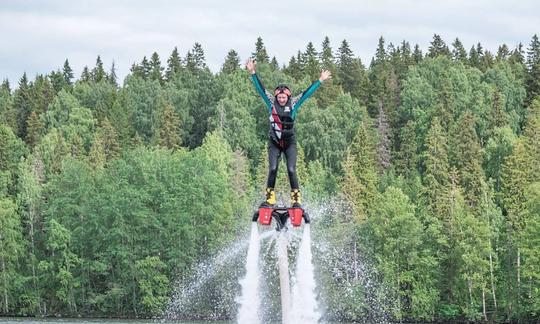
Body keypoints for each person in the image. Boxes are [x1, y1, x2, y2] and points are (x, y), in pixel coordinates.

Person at [246, 58, 331, 208]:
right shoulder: (271, 102)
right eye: (279, 97)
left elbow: (306, 93)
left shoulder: (294, 103)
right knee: (273, 168)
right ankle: (270, 198)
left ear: (288, 97)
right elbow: (260, 89)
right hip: (274, 142)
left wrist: (320, 80)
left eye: (284, 97)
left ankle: (296, 199)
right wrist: (253, 72)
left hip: (289, 143)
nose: (282, 100)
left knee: (291, 169)